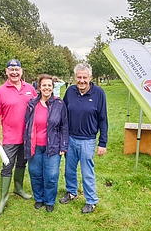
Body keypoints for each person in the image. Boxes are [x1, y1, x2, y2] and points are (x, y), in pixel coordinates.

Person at [0, 59, 37, 217]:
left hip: (27, 137)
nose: (14, 72)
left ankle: (18, 188)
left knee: (22, 163)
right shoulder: (0, 92)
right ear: (6, 71)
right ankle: (3, 199)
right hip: (9, 138)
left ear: (21, 71)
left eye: (17, 69)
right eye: (11, 69)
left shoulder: (30, 89)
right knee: (7, 167)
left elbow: (39, 110)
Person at [59, 63, 108, 214]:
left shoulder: (98, 93)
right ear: (75, 78)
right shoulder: (70, 91)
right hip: (71, 138)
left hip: (88, 140)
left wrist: (102, 143)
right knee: (69, 169)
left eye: (84, 77)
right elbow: (63, 115)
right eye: (79, 77)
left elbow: (103, 119)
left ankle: (91, 200)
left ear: (90, 77)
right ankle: (71, 192)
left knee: (87, 172)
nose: (81, 80)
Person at [24, 74, 68, 212]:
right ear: (39, 87)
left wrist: (64, 145)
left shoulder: (59, 104)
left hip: (53, 146)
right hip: (35, 146)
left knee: (51, 175)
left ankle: (49, 200)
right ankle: (39, 198)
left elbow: (64, 126)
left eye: (49, 85)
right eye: (44, 85)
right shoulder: (32, 104)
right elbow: (27, 124)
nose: (47, 88)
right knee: (35, 173)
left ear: (53, 87)